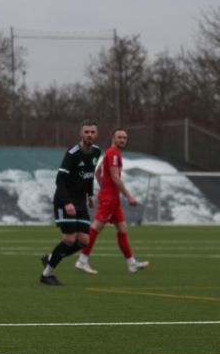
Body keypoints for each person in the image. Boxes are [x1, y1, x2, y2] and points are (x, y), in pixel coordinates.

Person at [75, 128, 150, 274]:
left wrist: (105, 187)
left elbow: (97, 173)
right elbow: (115, 177)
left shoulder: (109, 153)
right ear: (113, 138)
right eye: (119, 137)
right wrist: (129, 196)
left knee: (123, 229)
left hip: (112, 197)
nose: (122, 140)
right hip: (110, 198)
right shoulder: (114, 153)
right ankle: (82, 260)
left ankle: (131, 263)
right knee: (96, 227)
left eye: (125, 138)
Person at [40, 120, 101, 286]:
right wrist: (67, 202)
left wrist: (90, 195)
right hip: (64, 200)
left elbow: (89, 175)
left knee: (84, 241)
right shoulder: (73, 153)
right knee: (69, 239)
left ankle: (50, 258)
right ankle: (47, 275)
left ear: (96, 134)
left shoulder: (96, 152)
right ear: (81, 134)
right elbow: (59, 180)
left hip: (80, 202)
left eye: (92, 132)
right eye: (86, 132)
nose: (89, 135)